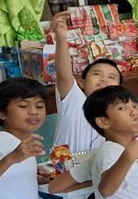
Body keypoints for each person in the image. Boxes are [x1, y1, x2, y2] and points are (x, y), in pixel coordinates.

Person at [50, 13, 122, 153]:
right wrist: (61, 38)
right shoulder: (74, 100)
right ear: (81, 83)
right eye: (96, 74)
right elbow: (64, 74)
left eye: (112, 77)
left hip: (101, 172)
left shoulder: (122, 112)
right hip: (65, 171)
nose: (104, 79)